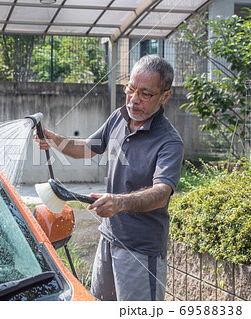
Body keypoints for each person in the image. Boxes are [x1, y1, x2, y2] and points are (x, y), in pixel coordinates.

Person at [34, 54, 184, 301]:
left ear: (165, 96)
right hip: (108, 238)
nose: (134, 100)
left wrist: (121, 202)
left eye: (145, 94)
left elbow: (161, 193)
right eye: (130, 89)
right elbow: (87, 147)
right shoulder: (119, 116)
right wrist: (53, 139)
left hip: (141, 250)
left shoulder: (169, 141)